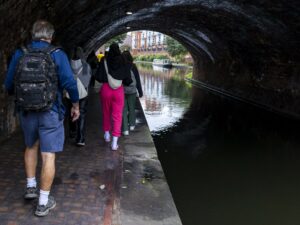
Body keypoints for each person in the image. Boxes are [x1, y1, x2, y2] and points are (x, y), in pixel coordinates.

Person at [4, 20, 80, 217]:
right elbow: (69, 83)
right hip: (51, 111)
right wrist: (75, 104)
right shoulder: (57, 54)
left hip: (27, 111)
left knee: (30, 147)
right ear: (51, 36)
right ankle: (43, 202)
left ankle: (30, 187)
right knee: (48, 155)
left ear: (32, 34)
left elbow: (9, 83)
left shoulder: (20, 53)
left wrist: (21, 96)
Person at [95, 43, 132, 150]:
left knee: (106, 112)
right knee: (117, 116)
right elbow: (128, 80)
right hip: (118, 91)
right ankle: (114, 143)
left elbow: (98, 76)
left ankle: (107, 135)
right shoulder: (123, 61)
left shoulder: (104, 60)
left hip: (106, 89)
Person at [67, 47, 92, 146]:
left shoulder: (67, 65)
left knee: (71, 111)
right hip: (82, 93)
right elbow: (88, 80)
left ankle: (72, 131)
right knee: (82, 114)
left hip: (69, 92)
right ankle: (80, 138)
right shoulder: (85, 65)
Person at [121, 50, 143, 135]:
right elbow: (137, 79)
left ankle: (125, 129)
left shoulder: (121, 66)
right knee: (132, 108)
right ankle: (132, 125)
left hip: (122, 90)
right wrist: (140, 91)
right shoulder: (133, 66)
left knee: (124, 109)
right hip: (132, 90)